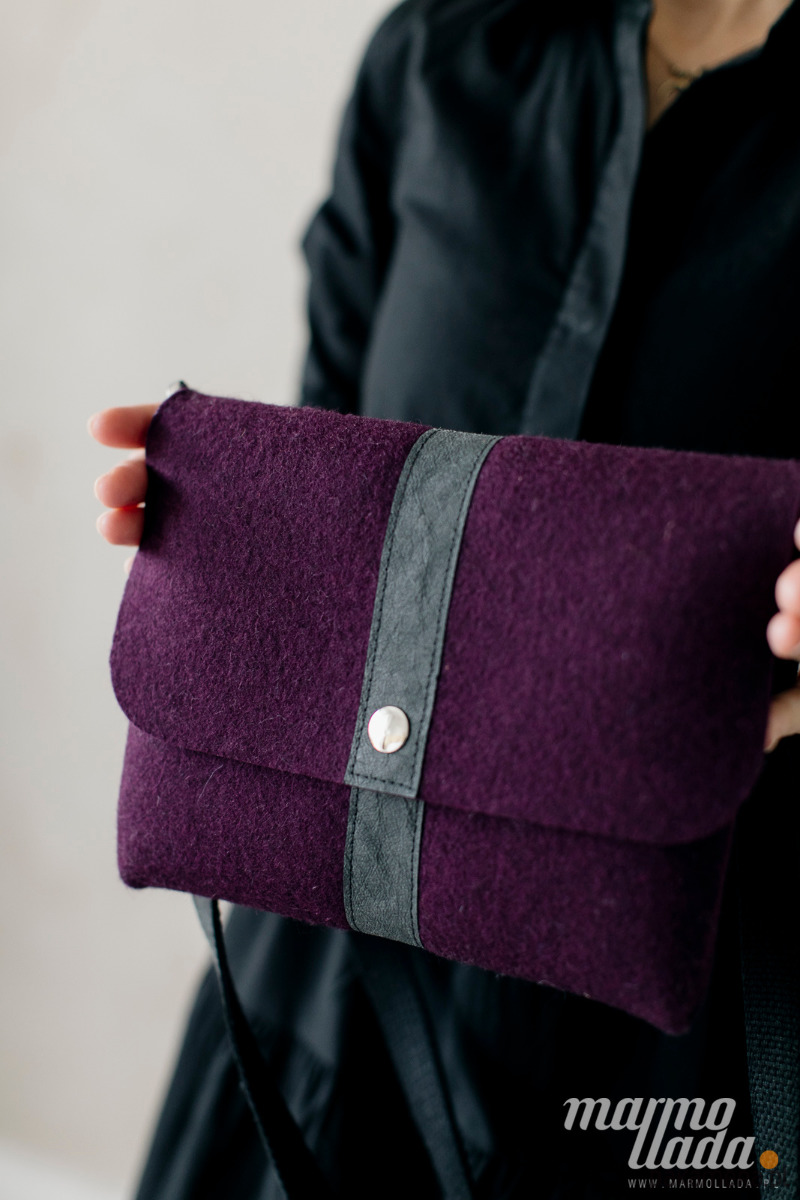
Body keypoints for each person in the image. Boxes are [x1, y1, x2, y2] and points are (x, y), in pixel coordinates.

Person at [89, 0, 800, 1194]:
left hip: (678, 1066)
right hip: (319, 980)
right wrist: (214, 533)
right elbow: (324, 461)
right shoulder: (435, 54)